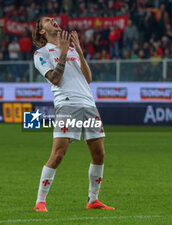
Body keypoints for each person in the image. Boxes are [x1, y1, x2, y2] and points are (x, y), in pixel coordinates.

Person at [32, 17, 115, 212]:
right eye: (47, 20)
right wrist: (62, 52)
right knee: (58, 154)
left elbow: (88, 78)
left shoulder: (70, 49)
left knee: (99, 154)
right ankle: (40, 202)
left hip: (88, 104)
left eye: (53, 19)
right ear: (42, 31)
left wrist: (78, 51)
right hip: (67, 104)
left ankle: (93, 200)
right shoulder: (40, 54)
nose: (53, 20)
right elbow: (55, 79)